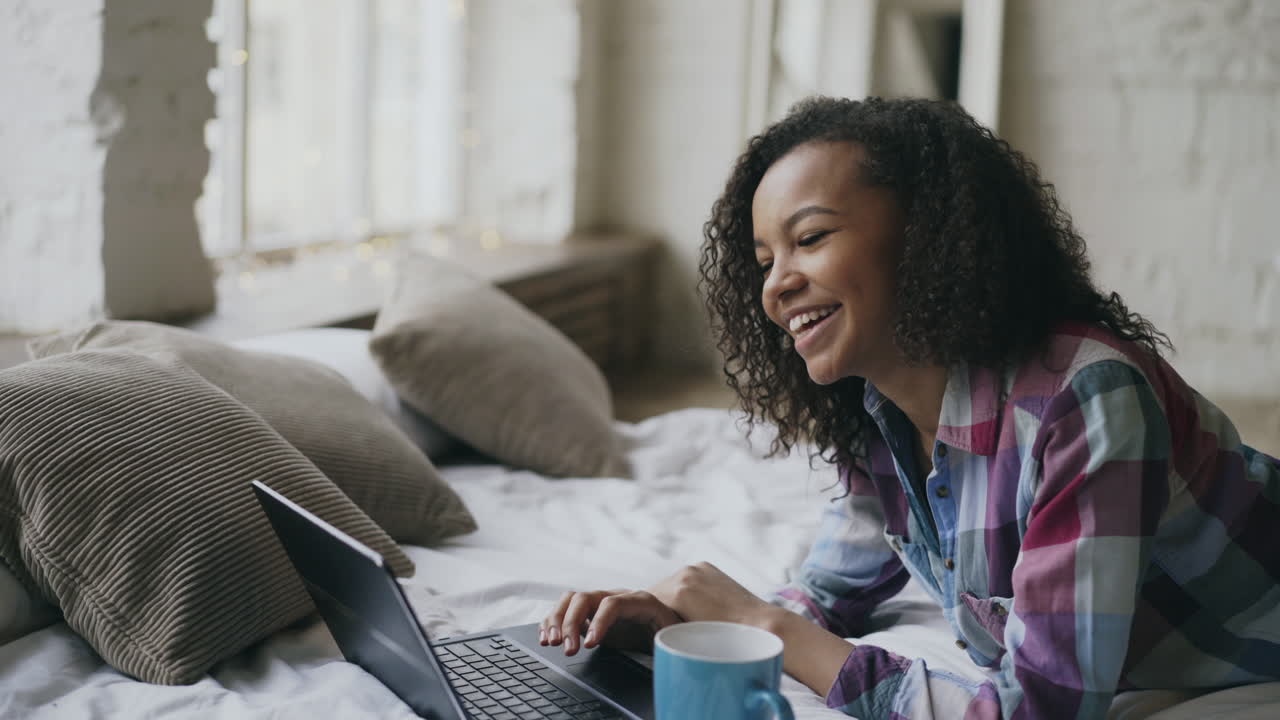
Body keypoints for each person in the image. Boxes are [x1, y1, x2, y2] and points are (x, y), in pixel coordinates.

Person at [539, 96, 1280, 719]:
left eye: (810, 238)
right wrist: (689, 628)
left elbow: (1037, 711)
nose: (775, 286)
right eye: (765, 262)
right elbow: (829, 594)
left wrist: (759, 623)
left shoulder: (1087, 401)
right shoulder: (881, 412)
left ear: (924, 237)